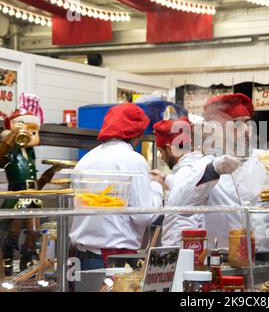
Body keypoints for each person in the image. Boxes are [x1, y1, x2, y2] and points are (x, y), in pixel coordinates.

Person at [166, 93, 269, 250]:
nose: (246, 130)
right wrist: (213, 170)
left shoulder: (263, 159)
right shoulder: (202, 165)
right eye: (235, 124)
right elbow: (178, 203)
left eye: (247, 123)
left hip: (264, 257)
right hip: (222, 261)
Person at [69, 103, 165, 270]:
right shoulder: (133, 160)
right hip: (114, 259)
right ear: (137, 134)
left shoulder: (86, 160)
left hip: (81, 256)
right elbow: (143, 216)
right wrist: (156, 185)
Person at [155, 116, 242, 246]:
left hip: (195, 256)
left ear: (169, 149)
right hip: (226, 250)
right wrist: (165, 178)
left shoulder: (198, 169)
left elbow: (181, 202)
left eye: (161, 152)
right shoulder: (199, 165)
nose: (162, 158)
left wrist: (214, 168)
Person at [0, 108, 64, 273]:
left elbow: (37, 183)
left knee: (34, 231)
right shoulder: (10, 151)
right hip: (16, 194)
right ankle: (6, 259)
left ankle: (26, 260)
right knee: (12, 230)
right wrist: (9, 139)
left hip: (32, 195)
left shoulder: (30, 153)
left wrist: (51, 171)